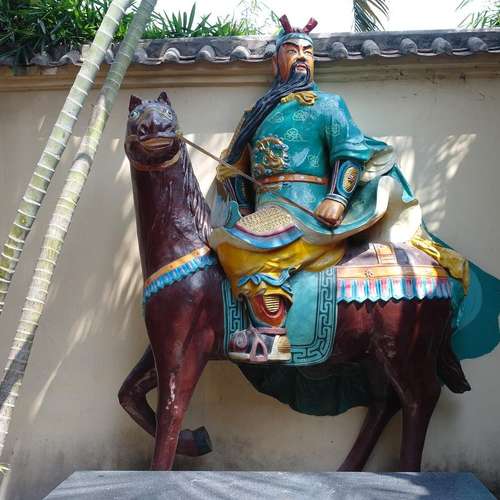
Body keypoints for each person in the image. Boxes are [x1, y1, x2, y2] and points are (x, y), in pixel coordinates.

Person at [208, 15, 449, 363]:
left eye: (307, 52)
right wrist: (241, 207)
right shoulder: (255, 114)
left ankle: (272, 334)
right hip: (265, 212)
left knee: (237, 247)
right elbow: (233, 169)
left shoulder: (327, 105)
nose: (301, 57)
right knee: (226, 239)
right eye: (292, 51)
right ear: (276, 62)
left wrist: (337, 198)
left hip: (306, 211)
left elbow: (349, 153)